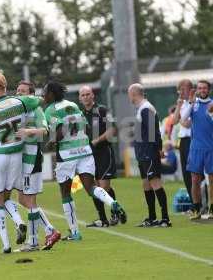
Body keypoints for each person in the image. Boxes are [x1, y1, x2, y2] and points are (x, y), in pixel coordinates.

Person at [43, 81, 127, 241]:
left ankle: (75, 233)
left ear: (52, 94)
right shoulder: (73, 105)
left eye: (45, 92)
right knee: (91, 187)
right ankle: (113, 204)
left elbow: (62, 129)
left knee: (65, 193)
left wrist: (52, 141)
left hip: (67, 155)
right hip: (85, 151)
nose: (43, 96)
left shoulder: (51, 110)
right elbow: (87, 128)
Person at [0, 72, 42, 254]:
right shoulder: (20, 102)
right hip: (16, 155)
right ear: (5, 85)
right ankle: (20, 222)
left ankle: (6, 244)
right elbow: (38, 101)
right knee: (9, 194)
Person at [4, 80, 60, 252]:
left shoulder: (36, 109)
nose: (19, 93)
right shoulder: (14, 110)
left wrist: (28, 131)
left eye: (23, 91)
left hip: (31, 158)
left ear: (31, 94)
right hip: (19, 160)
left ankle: (42, 236)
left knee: (29, 199)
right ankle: (42, 236)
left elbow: (45, 131)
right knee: (23, 199)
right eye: (17, 91)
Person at [127, 83, 171, 227]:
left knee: (154, 181)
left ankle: (165, 218)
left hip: (149, 152)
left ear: (134, 94)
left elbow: (154, 131)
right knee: (146, 184)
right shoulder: (141, 108)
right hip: (142, 153)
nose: (129, 97)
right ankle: (152, 218)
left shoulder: (146, 108)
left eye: (129, 94)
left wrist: (158, 149)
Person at [78, 85, 119, 227]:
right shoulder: (80, 115)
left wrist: (97, 140)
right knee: (93, 187)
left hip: (104, 152)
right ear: (79, 98)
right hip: (89, 156)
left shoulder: (102, 110)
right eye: (83, 95)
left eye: (88, 94)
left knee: (104, 186)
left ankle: (114, 211)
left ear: (93, 95)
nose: (86, 97)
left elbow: (113, 130)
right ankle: (103, 219)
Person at [180, 80, 213, 220]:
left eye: (205, 88)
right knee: (194, 179)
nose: (202, 90)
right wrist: (191, 102)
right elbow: (183, 119)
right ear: (197, 90)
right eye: (200, 88)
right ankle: (196, 208)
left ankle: (211, 208)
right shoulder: (193, 104)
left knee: (212, 179)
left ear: (209, 90)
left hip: (211, 147)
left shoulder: (212, 104)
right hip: (195, 148)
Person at [173, 79, 194, 204]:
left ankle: (199, 202)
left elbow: (186, 124)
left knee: (194, 173)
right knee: (186, 173)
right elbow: (174, 120)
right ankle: (193, 203)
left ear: (190, 89)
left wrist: (180, 118)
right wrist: (179, 106)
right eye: (180, 90)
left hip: (192, 140)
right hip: (183, 141)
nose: (181, 92)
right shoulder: (182, 104)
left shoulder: (194, 103)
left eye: (184, 89)